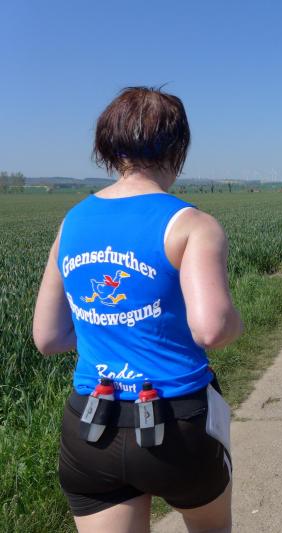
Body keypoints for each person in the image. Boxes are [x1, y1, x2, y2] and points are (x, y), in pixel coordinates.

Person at [32, 87, 242, 533]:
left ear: (109, 147)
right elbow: (211, 329)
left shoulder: (72, 222)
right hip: (178, 423)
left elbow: (47, 338)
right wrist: (233, 322)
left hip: (92, 425)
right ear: (178, 148)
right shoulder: (191, 224)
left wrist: (107, 327)